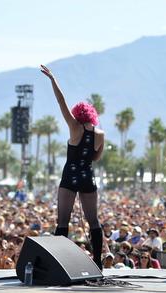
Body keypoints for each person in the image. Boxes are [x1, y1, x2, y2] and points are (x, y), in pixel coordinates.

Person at [41, 65, 105, 270]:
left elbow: (61, 102)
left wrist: (53, 80)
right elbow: (96, 157)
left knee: (63, 221)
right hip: (88, 177)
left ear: (78, 114)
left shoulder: (74, 127)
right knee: (93, 221)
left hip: (70, 177)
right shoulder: (100, 134)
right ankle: (98, 261)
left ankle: (59, 262)